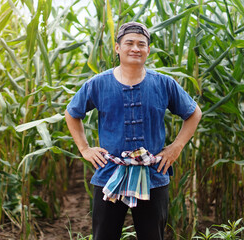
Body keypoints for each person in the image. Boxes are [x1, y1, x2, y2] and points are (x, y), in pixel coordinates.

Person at [64, 22, 202, 240]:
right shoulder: (98, 84)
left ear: (148, 50)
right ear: (117, 48)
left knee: (152, 236)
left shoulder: (164, 84)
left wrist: (177, 147)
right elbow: (72, 113)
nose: (135, 48)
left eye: (141, 44)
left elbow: (194, 113)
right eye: (129, 43)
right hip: (109, 173)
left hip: (153, 173)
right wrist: (84, 148)